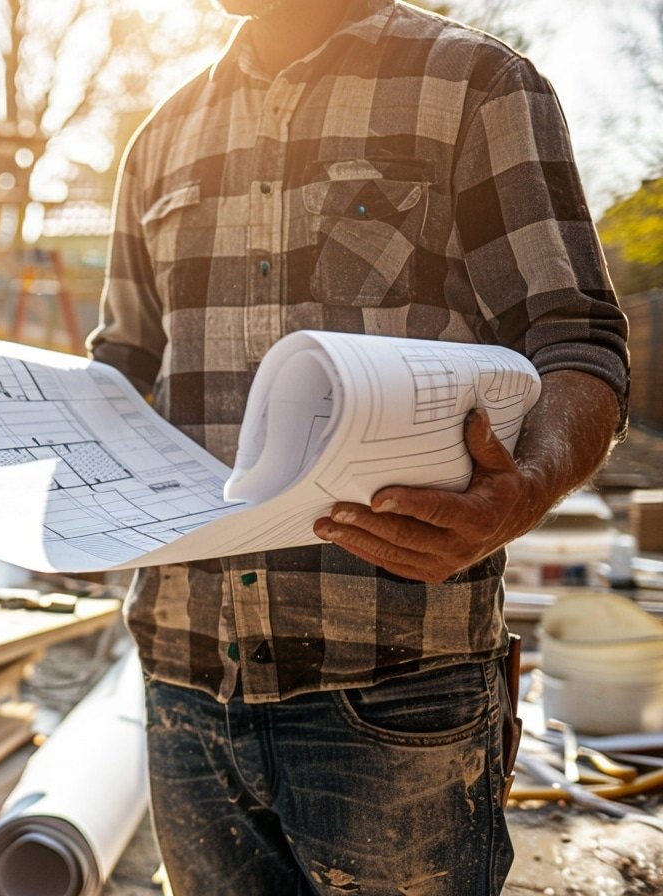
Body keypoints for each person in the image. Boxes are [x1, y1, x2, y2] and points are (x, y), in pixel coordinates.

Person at [85, 0, 630, 893]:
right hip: (184, 679)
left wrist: (522, 491)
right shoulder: (161, 136)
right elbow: (124, 360)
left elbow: (576, 339)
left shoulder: (477, 88)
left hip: (396, 693)